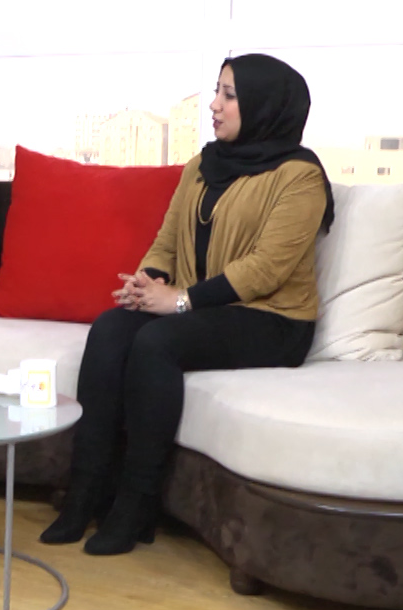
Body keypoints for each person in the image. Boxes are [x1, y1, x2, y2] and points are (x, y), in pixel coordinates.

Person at [39, 54, 334, 555]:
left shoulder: (299, 177)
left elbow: (266, 269)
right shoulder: (203, 165)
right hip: (206, 309)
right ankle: (85, 492)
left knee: (157, 342)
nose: (214, 105)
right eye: (217, 91)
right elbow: (168, 240)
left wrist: (180, 300)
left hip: (272, 320)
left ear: (264, 106)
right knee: (111, 328)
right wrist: (148, 281)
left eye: (228, 95)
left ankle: (136, 507)